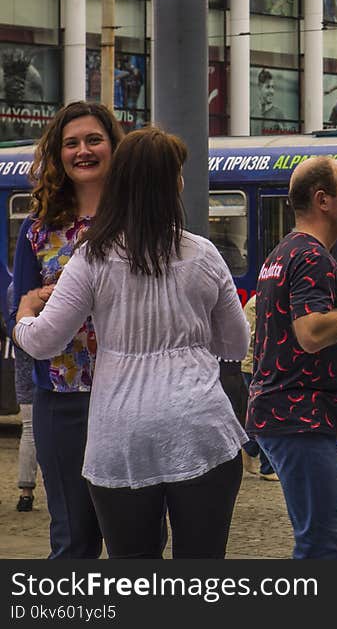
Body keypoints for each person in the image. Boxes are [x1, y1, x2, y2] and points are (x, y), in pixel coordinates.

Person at [14, 127, 250, 559]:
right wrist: (192, 340)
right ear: (174, 184)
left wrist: (23, 315)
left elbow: (45, 341)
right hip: (201, 428)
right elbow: (236, 344)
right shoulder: (203, 253)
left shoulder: (92, 256)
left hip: (121, 435)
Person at [8, 100, 124, 558]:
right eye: (70, 143)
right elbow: (16, 307)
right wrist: (31, 304)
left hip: (130, 395)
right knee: (73, 539)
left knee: (134, 541)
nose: (83, 151)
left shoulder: (136, 222)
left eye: (94, 140)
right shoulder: (38, 231)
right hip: (61, 400)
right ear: (57, 155)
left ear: (114, 147)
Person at [246, 155, 337, 559]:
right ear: (322, 200)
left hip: (295, 414)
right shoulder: (312, 256)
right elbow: (312, 332)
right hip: (299, 414)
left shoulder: (284, 253)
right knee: (322, 541)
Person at [239, 293, 277, 481]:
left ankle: (249, 448)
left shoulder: (258, 299)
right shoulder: (261, 301)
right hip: (255, 365)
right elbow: (258, 336)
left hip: (253, 364)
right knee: (264, 415)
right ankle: (267, 467)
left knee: (259, 413)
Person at [7, 282, 37, 512]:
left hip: (25, 370)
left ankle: (26, 494)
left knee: (29, 430)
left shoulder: (13, 290)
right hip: (51, 371)